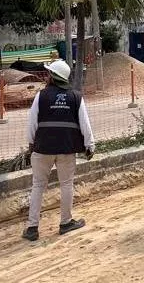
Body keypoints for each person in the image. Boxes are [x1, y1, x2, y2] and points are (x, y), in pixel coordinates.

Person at [23, 60, 93, 242]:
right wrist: (89, 145)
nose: (46, 76)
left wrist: (31, 144)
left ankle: (32, 228)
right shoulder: (76, 97)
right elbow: (84, 123)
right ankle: (65, 223)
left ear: (52, 76)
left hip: (42, 148)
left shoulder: (41, 96)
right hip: (66, 148)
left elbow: (32, 122)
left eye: (48, 73)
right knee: (66, 184)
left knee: (38, 185)